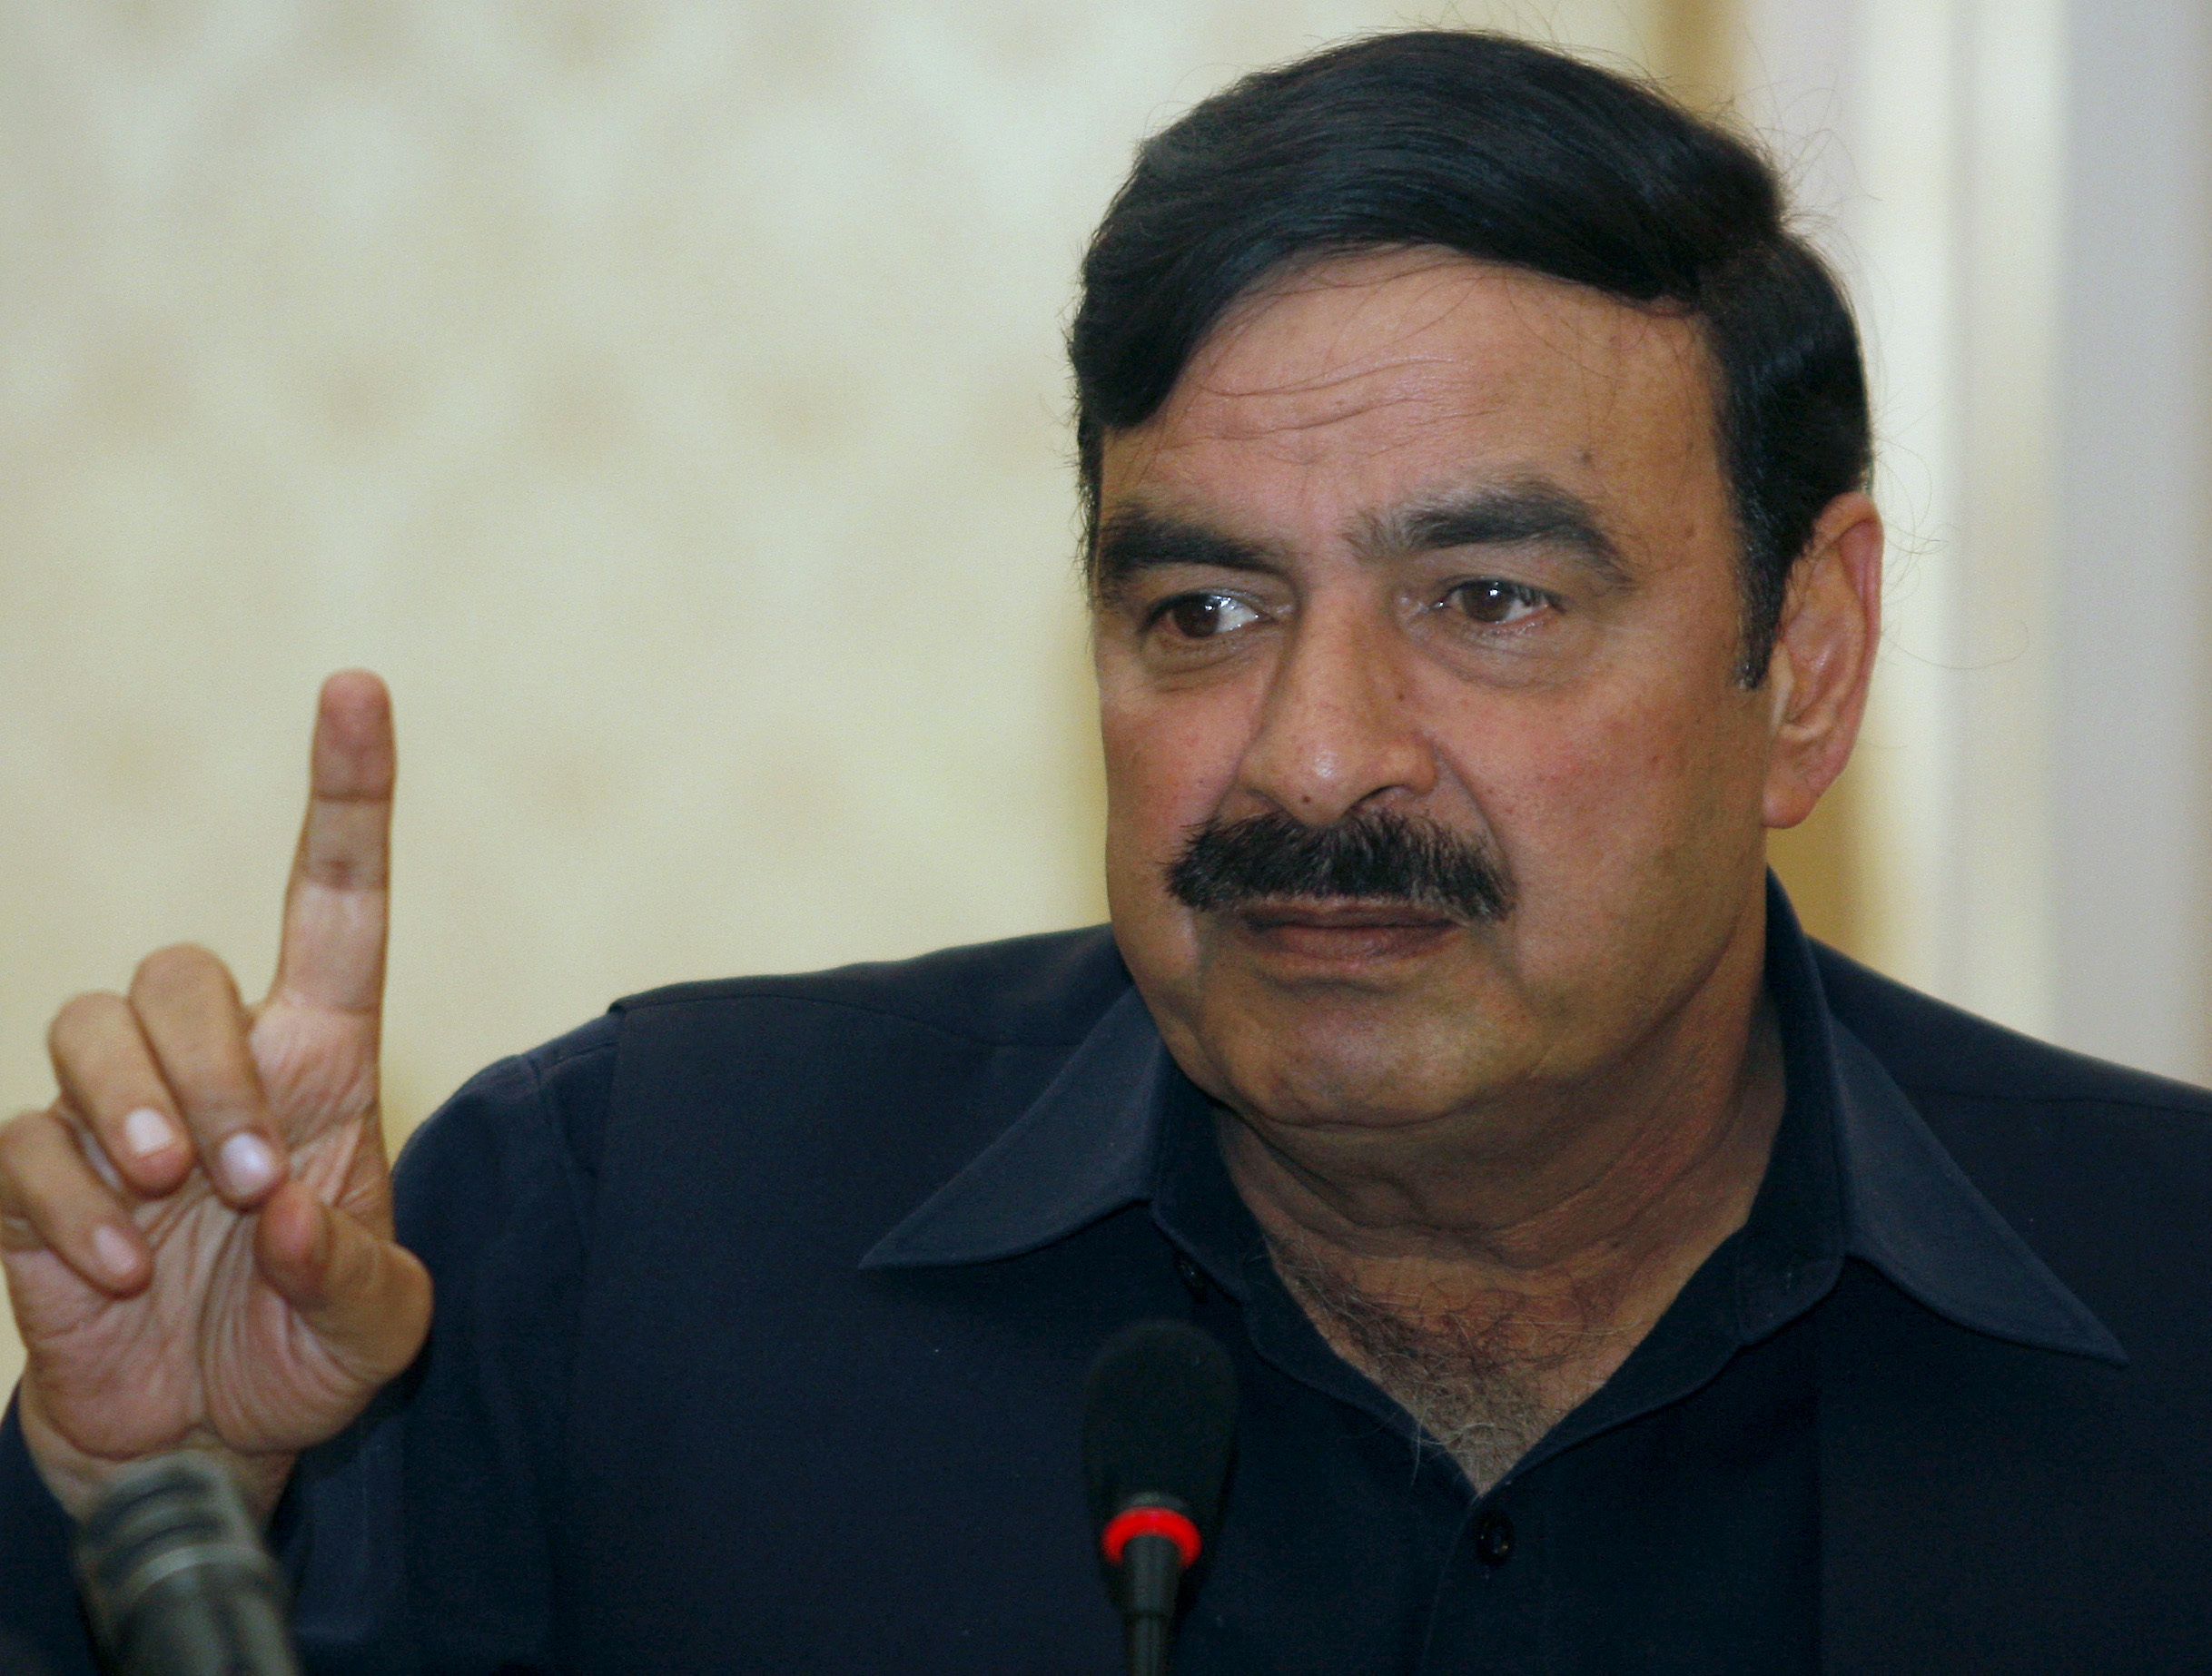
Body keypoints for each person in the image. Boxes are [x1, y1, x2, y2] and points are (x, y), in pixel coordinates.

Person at [5, 28, 2211, 1675]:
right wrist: (147, 1505)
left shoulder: (2176, 1307)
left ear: (1805, 662)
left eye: (1488, 599)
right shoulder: (619, 1237)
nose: (1314, 753)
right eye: (1204, 612)